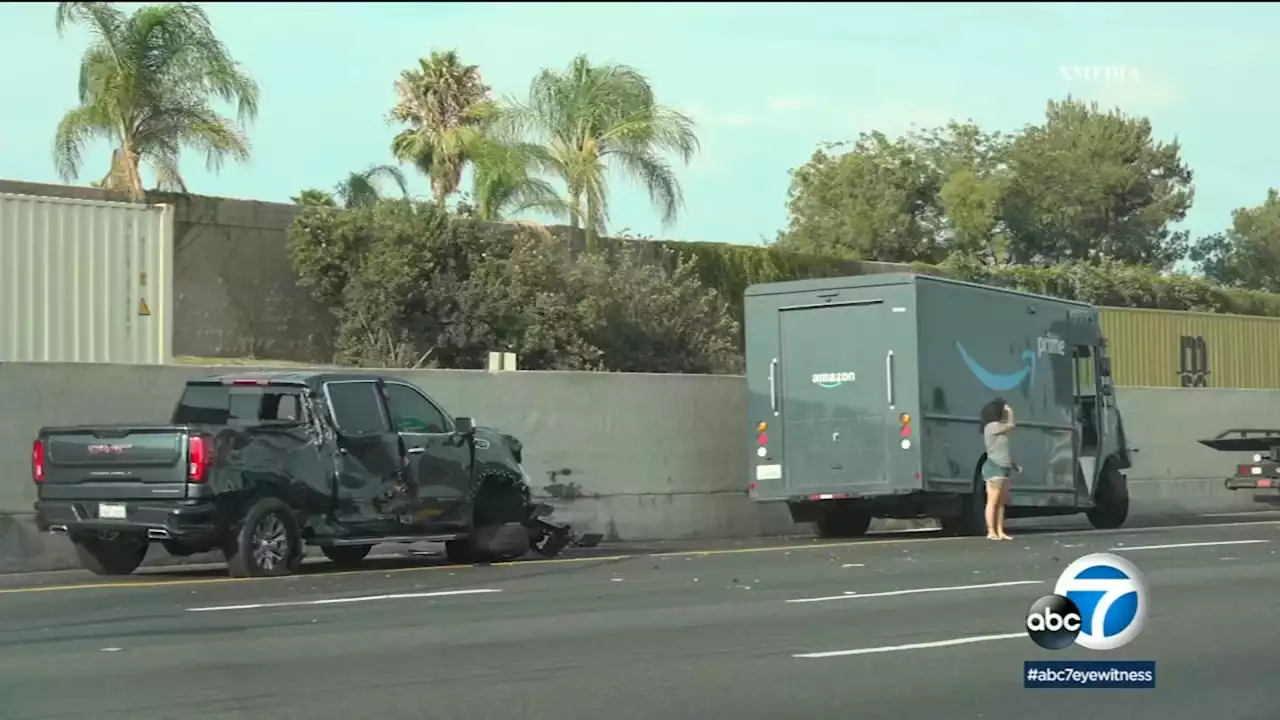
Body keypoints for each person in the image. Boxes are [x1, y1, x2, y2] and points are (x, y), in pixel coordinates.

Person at [979, 397, 1020, 540]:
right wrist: (1011, 412)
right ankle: (991, 531)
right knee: (993, 500)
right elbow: (1012, 425)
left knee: (1002, 501)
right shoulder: (991, 426)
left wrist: (1014, 465)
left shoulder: (999, 429)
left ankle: (1000, 530)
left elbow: (1004, 450)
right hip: (994, 467)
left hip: (1004, 466)